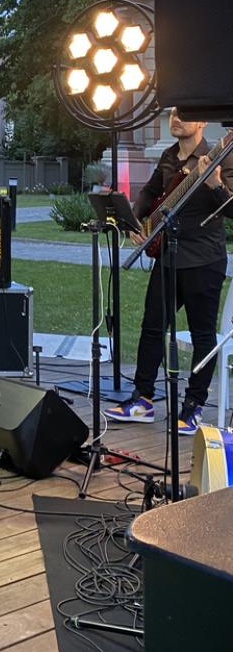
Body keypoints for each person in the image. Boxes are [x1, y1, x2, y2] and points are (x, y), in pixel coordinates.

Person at [107, 109, 233, 435]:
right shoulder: (168, 156)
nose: (176, 118)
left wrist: (215, 184)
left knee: (202, 335)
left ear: (203, 122)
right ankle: (143, 399)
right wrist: (138, 221)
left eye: (185, 115)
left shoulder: (222, 155)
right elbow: (150, 192)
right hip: (167, 257)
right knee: (152, 327)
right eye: (174, 113)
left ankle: (192, 407)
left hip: (204, 260)